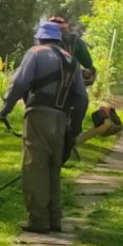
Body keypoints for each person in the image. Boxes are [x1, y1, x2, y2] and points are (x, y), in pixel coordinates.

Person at [0, 21, 82, 233]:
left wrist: (5, 110)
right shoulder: (72, 61)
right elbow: (82, 97)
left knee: (35, 168)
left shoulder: (35, 53)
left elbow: (19, 84)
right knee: (53, 168)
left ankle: (38, 220)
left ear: (40, 38)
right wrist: (74, 127)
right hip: (61, 120)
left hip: (38, 116)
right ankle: (55, 219)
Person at [48, 15, 95, 163]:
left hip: (49, 84)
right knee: (82, 100)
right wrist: (89, 71)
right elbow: (88, 63)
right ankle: (73, 131)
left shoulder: (42, 41)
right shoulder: (75, 41)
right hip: (70, 81)